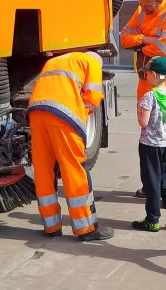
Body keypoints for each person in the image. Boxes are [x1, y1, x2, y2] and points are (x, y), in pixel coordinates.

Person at [27, 51, 114, 241]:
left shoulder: (55, 61)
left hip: (36, 113)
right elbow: (92, 97)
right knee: (73, 169)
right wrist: (79, 120)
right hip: (63, 116)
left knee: (43, 170)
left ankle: (51, 226)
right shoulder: (91, 62)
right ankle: (86, 228)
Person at [119, 0, 166, 200]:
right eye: (142, 4)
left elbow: (164, 48)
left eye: (148, 6)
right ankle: (151, 186)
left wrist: (139, 45)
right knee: (147, 135)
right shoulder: (141, 11)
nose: (144, 10)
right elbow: (123, 38)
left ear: (159, 0)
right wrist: (145, 40)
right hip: (145, 81)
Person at [130, 56, 166, 233]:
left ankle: (152, 220)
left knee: (152, 183)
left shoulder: (148, 97)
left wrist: (139, 110)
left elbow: (143, 123)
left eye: (146, 73)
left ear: (153, 74)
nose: (145, 76)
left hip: (149, 146)